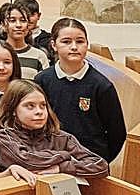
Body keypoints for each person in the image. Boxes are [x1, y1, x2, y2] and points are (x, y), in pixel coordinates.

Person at [35, 17, 127, 164]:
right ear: (53, 45)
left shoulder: (101, 85)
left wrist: (100, 160)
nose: (74, 47)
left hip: (90, 161)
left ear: (87, 44)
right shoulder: (42, 80)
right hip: (51, 159)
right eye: (66, 42)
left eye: (80, 41)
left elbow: (117, 133)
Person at [0, 79, 109, 180]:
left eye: (43, 105)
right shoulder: (5, 136)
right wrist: (64, 154)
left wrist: (61, 168)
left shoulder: (62, 137)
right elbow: (27, 161)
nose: (39, 112)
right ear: (13, 110)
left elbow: (101, 166)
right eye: (30, 106)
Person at [0, 0, 50, 77]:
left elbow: (44, 85)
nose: (18, 25)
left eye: (23, 20)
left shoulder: (39, 55)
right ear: (3, 25)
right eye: (12, 20)